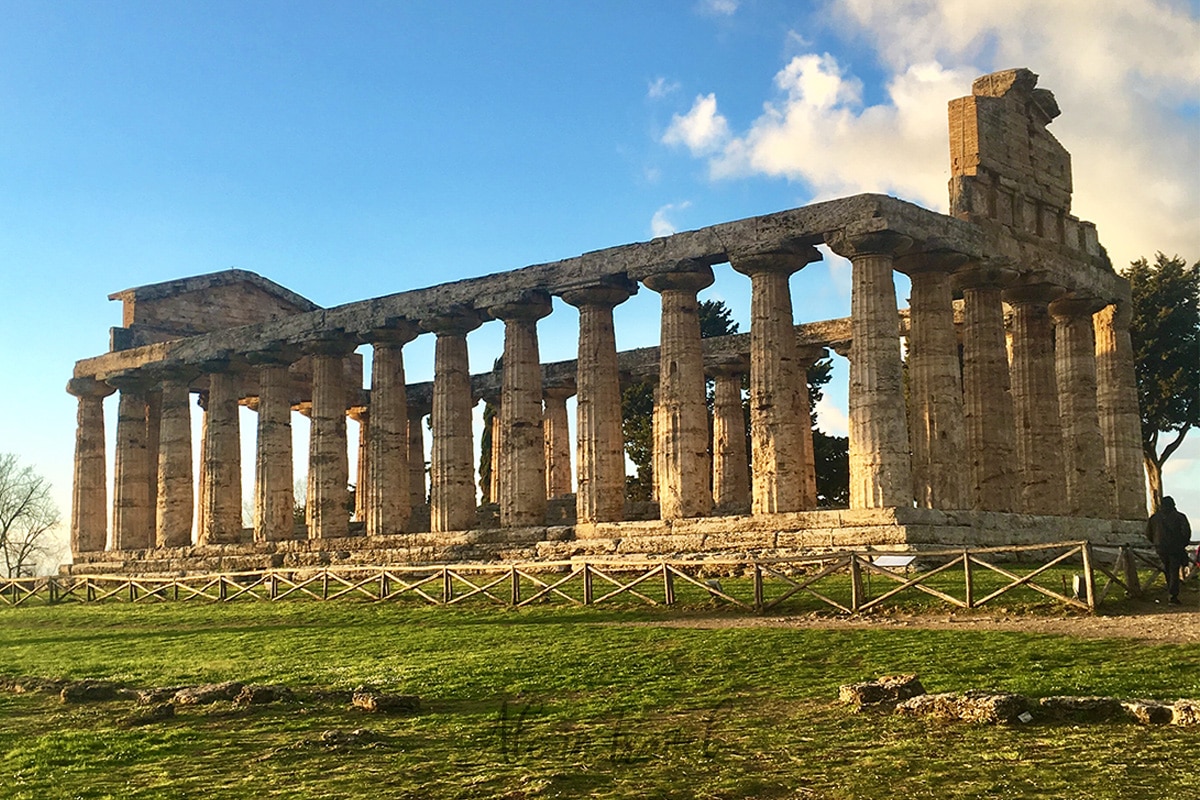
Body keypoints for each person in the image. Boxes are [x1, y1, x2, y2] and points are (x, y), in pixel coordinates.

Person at [1146, 496, 1192, 605]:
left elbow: (1148, 533)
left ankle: (1170, 591)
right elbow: (1186, 533)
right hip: (1175, 548)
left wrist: (1156, 543)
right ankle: (1173, 595)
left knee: (1167, 569)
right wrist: (1182, 544)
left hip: (1160, 548)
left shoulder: (1154, 518)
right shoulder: (1180, 517)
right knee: (1173, 571)